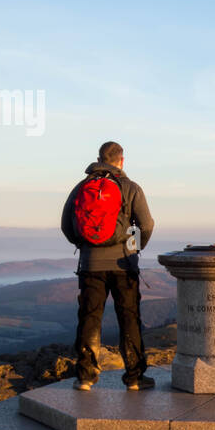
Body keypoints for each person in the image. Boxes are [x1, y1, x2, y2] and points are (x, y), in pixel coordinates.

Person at [60, 141, 156, 391]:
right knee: (129, 317)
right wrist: (134, 247)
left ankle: (85, 376)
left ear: (99, 159)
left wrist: (86, 244)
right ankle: (135, 377)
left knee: (90, 317)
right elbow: (145, 225)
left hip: (91, 265)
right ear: (121, 161)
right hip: (124, 264)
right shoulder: (130, 188)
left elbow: (66, 226)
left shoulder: (82, 187)